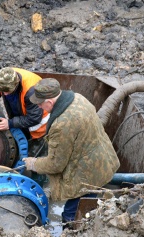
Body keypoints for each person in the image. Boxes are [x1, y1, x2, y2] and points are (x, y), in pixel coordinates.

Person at [22, 78, 120, 229]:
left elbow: (55, 165)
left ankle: (71, 229)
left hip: (87, 175)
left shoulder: (61, 125)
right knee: (89, 201)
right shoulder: (78, 98)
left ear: (50, 101)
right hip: (103, 159)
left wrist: (32, 163)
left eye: (40, 103)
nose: (39, 107)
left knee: (71, 214)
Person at [0, 67, 50, 157]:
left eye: (8, 91)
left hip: (39, 129)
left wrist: (9, 123)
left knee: (36, 160)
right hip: (22, 118)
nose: (5, 94)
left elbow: (34, 118)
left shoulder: (32, 90)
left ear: (17, 84)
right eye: (3, 91)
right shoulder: (1, 79)